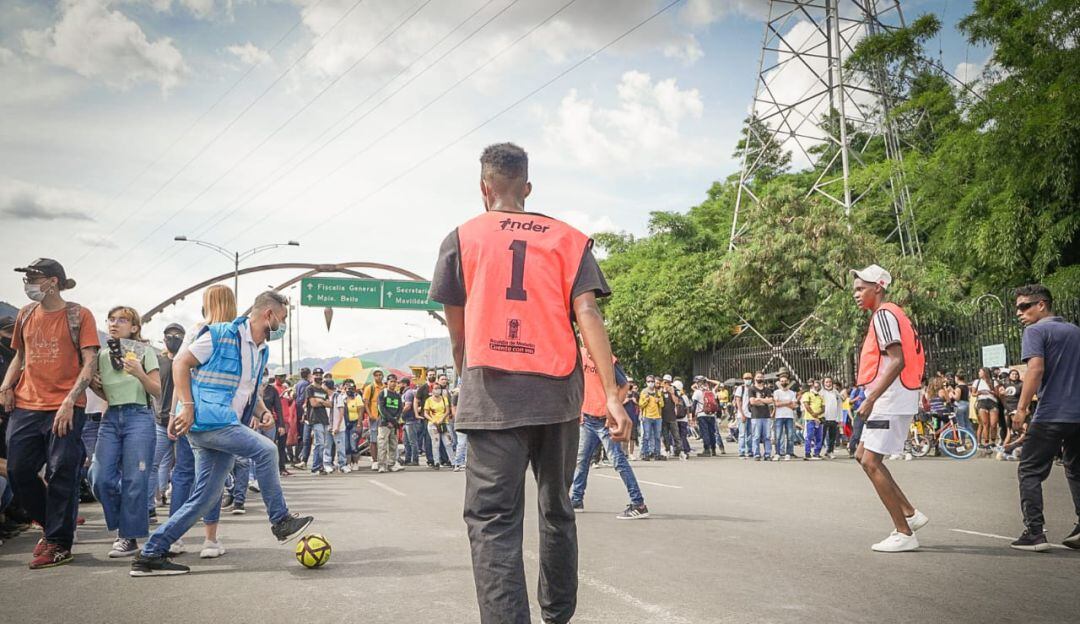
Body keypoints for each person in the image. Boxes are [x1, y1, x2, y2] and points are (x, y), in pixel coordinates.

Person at [430, 142, 630, 624]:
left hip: (492, 393)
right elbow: (588, 313)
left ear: (484, 188)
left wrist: (469, 384)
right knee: (557, 508)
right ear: (528, 187)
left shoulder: (462, 238)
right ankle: (558, 615)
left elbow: (458, 334)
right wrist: (611, 398)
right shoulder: (566, 239)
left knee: (493, 519)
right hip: (557, 393)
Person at [131, 290, 313, 576]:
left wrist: (260, 411)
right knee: (267, 451)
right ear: (269, 315)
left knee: (204, 497)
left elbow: (244, 389)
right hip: (208, 421)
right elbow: (181, 364)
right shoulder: (219, 335)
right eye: (283, 317)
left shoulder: (260, 349)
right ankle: (280, 521)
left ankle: (151, 554)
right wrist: (186, 407)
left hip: (225, 421)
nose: (283, 324)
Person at [1, 258, 99, 569]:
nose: (28, 282)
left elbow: (89, 361)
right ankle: (55, 526)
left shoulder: (79, 314)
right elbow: (21, 354)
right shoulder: (27, 314)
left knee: (62, 472)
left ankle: (59, 542)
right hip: (27, 404)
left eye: (34, 276)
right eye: (27, 276)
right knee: (18, 470)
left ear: (53, 281)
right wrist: (6, 385)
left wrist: (71, 400)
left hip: (65, 406)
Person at [850, 264, 929, 553]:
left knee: (870, 461)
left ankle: (904, 532)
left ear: (878, 288)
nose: (856, 294)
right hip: (892, 397)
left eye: (861, 289)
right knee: (862, 455)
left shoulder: (884, 315)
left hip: (891, 398)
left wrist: (871, 399)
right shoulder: (891, 314)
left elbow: (897, 360)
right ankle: (909, 512)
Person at [1010, 284, 1080, 551]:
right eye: (1017, 307)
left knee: (1029, 470)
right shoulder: (1075, 331)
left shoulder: (1035, 331)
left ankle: (1035, 532)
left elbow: (1035, 369)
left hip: (1051, 413)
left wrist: (1022, 409)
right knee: (1075, 469)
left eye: (1024, 306)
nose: (1019, 312)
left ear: (1042, 305)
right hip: (1077, 415)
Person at [89, 305, 162, 558]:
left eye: (122, 320)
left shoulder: (144, 351)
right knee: (99, 477)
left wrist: (140, 374)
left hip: (139, 416)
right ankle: (128, 518)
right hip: (110, 417)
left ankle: (127, 537)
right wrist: (94, 386)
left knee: (135, 479)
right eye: (111, 319)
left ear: (134, 328)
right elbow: (104, 392)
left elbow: (157, 390)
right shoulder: (102, 355)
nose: (114, 323)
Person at [168, 284, 233, 556]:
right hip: (217, 416)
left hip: (187, 412)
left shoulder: (195, 331)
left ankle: (174, 537)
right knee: (212, 478)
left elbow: (178, 369)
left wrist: (174, 412)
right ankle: (210, 539)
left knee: (182, 474)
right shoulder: (231, 334)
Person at [571, 346, 648, 519]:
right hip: (588, 418)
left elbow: (624, 385)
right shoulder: (580, 355)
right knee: (581, 460)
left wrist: (613, 410)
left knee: (618, 461)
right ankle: (576, 499)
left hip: (606, 420)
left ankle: (639, 503)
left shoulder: (607, 359)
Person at [150, 323, 185, 511]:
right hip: (160, 422)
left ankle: (181, 504)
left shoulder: (188, 361)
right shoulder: (156, 362)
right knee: (153, 464)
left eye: (178, 335)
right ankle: (151, 504)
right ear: (163, 338)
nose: (173, 338)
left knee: (183, 466)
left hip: (183, 423)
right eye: (169, 335)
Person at [305, 368, 331, 476]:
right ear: (312, 375)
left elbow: (330, 404)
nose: (318, 376)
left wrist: (320, 401)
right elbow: (313, 404)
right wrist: (322, 402)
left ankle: (320, 466)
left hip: (324, 419)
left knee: (323, 444)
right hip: (315, 419)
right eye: (316, 374)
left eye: (320, 374)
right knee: (319, 444)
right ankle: (316, 466)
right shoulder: (309, 389)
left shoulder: (324, 391)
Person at [376, 373, 404, 473]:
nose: (393, 383)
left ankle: (391, 464)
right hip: (384, 424)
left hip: (394, 425)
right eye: (391, 381)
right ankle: (382, 465)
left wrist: (395, 420)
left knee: (393, 445)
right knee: (382, 445)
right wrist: (390, 420)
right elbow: (381, 409)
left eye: (395, 382)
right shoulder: (382, 393)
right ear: (387, 382)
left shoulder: (397, 395)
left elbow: (400, 409)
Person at [424, 383, 455, 470]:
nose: (437, 390)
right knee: (435, 444)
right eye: (435, 388)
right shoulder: (428, 400)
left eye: (439, 388)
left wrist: (442, 418)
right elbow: (425, 413)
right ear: (432, 390)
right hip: (433, 425)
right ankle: (436, 462)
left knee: (448, 443)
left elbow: (447, 410)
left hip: (444, 423)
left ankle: (453, 462)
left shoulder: (444, 399)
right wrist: (433, 420)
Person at [361, 369, 386, 471]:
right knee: (373, 440)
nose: (378, 377)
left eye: (380, 375)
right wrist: (370, 414)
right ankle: (374, 461)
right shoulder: (369, 388)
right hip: (374, 418)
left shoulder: (385, 388)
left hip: (384, 418)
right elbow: (366, 403)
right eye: (376, 375)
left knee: (383, 440)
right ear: (373, 377)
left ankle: (383, 460)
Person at [974, 367, 1001, 453]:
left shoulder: (993, 381)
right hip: (982, 402)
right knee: (985, 424)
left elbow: (998, 394)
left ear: (985, 373)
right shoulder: (977, 382)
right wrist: (979, 392)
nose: (979, 373)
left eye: (980, 371)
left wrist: (993, 392)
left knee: (993, 424)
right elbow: (973, 394)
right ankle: (986, 443)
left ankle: (993, 442)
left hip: (992, 402)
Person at [637, 375, 664, 460]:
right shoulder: (644, 392)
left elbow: (662, 404)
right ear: (646, 382)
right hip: (647, 417)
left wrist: (658, 401)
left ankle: (657, 453)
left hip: (657, 417)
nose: (651, 383)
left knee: (657, 436)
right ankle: (645, 453)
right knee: (646, 436)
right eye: (649, 381)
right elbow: (640, 404)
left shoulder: (658, 392)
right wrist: (646, 400)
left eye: (652, 381)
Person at [748, 372, 773, 460]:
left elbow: (770, 400)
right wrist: (764, 400)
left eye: (761, 377)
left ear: (763, 378)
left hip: (766, 416)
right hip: (756, 416)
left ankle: (767, 454)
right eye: (758, 377)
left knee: (767, 436)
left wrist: (759, 399)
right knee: (756, 436)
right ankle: (756, 454)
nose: (760, 378)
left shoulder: (767, 390)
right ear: (755, 378)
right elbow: (752, 402)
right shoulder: (751, 389)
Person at [773, 373, 798, 461]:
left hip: (789, 416)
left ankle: (788, 453)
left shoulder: (792, 393)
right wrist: (788, 402)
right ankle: (777, 453)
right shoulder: (776, 392)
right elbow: (776, 404)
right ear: (779, 382)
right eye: (782, 381)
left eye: (785, 381)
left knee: (790, 436)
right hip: (779, 416)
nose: (784, 382)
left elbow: (794, 406)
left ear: (788, 381)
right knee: (778, 436)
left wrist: (782, 403)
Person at [800, 379, 824, 460]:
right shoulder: (807, 394)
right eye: (815, 385)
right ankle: (807, 453)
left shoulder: (821, 396)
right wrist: (813, 414)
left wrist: (817, 414)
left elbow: (823, 407)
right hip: (810, 418)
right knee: (809, 435)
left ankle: (817, 453)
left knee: (819, 436)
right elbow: (806, 405)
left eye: (818, 386)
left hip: (819, 418)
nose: (817, 387)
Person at [292, 367, 311, 468]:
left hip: (297, 410)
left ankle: (298, 456)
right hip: (302, 411)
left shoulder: (299, 383)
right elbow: (303, 399)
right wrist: (303, 412)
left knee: (300, 435)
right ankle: (299, 456)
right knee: (304, 437)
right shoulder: (306, 384)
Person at [820, 377, 841, 458]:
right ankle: (817, 451)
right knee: (822, 435)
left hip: (834, 417)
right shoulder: (821, 393)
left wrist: (839, 418)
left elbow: (839, 405)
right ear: (824, 383)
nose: (828, 384)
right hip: (824, 417)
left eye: (830, 382)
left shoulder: (835, 392)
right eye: (826, 382)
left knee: (832, 436)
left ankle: (830, 451)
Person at [733, 372, 753, 457]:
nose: (748, 380)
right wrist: (742, 414)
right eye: (746, 378)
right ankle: (741, 451)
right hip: (742, 414)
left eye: (749, 378)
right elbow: (738, 402)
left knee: (750, 434)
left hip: (752, 414)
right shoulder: (740, 388)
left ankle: (749, 451)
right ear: (743, 379)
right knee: (742, 434)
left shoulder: (753, 388)